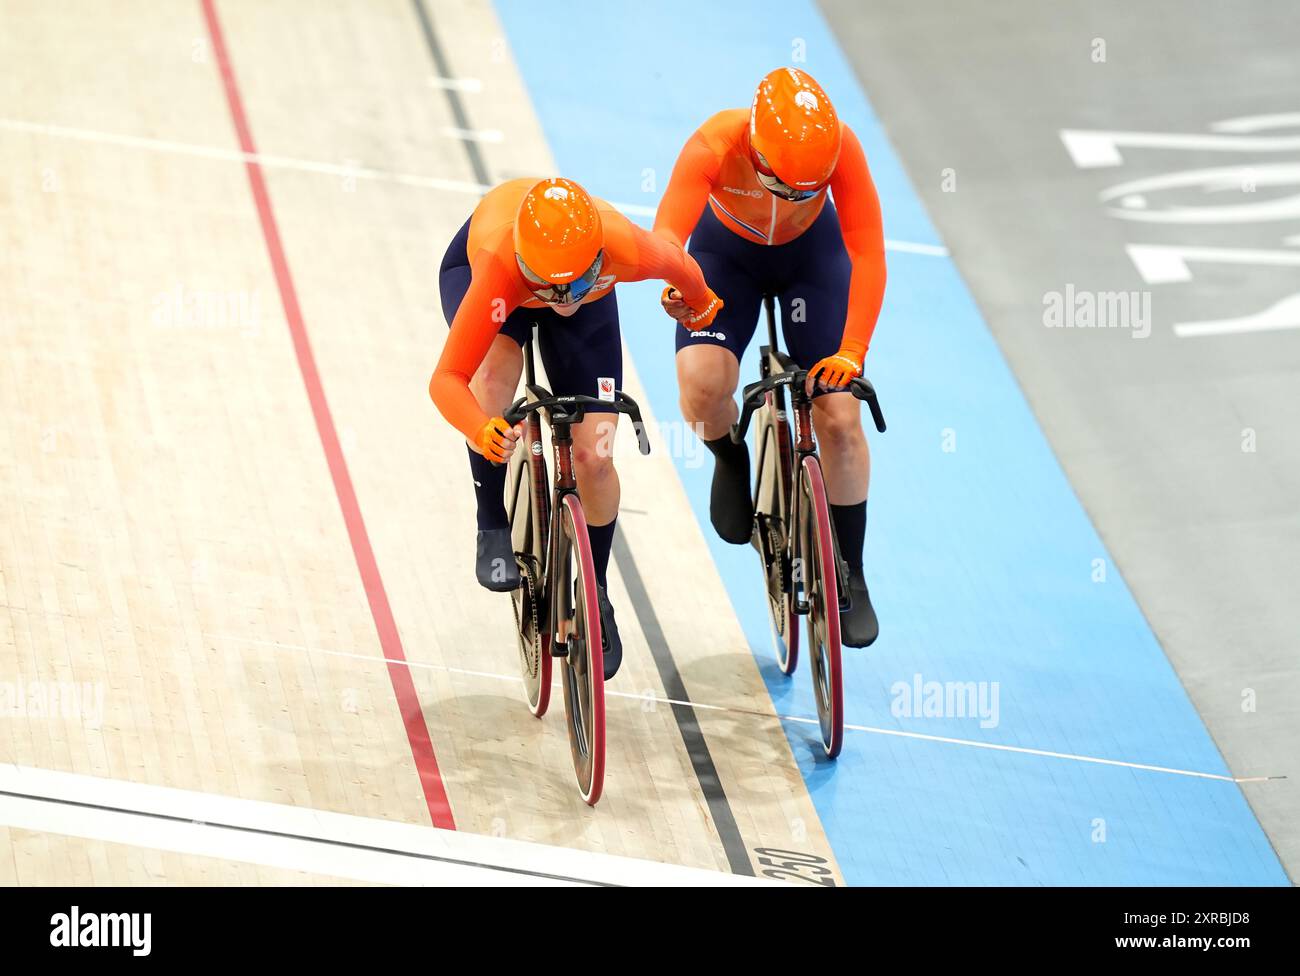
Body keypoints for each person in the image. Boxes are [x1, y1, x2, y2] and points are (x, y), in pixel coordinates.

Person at [432, 176, 722, 678]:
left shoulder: (627, 247)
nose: (561, 297)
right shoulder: (501, 269)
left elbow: (688, 272)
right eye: (551, 287)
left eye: (572, 284)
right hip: (500, 290)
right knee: (491, 381)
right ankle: (491, 522)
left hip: (588, 301)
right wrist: (481, 429)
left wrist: (698, 308)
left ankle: (596, 592)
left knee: (596, 455)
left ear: (598, 259)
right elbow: (446, 379)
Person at [653, 66, 887, 647]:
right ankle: (730, 458)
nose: (792, 197)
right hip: (727, 258)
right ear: (755, 151)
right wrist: (677, 286)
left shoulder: (843, 148)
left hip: (811, 261)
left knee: (839, 414)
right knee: (703, 382)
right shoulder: (716, 141)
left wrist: (853, 351)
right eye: (782, 186)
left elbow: (868, 253)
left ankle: (851, 571)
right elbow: (665, 239)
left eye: (808, 190)